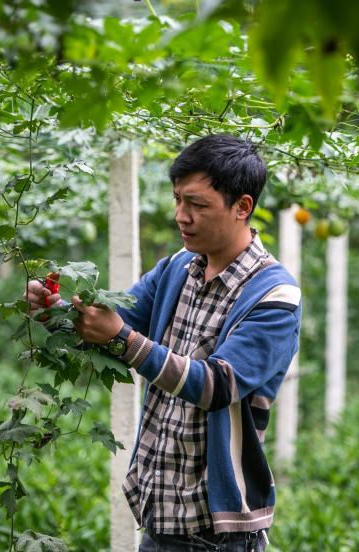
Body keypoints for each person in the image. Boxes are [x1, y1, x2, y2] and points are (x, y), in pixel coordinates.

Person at [26, 134, 302, 551]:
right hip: (160, 519)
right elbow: (113, 331)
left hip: (217, 535)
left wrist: (122, 338)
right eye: (177, 200)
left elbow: (216, 385)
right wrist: (57, 313)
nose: (181, 216)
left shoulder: (274, 295)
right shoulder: (176, 269)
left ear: (242, 207)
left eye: (197, 205)